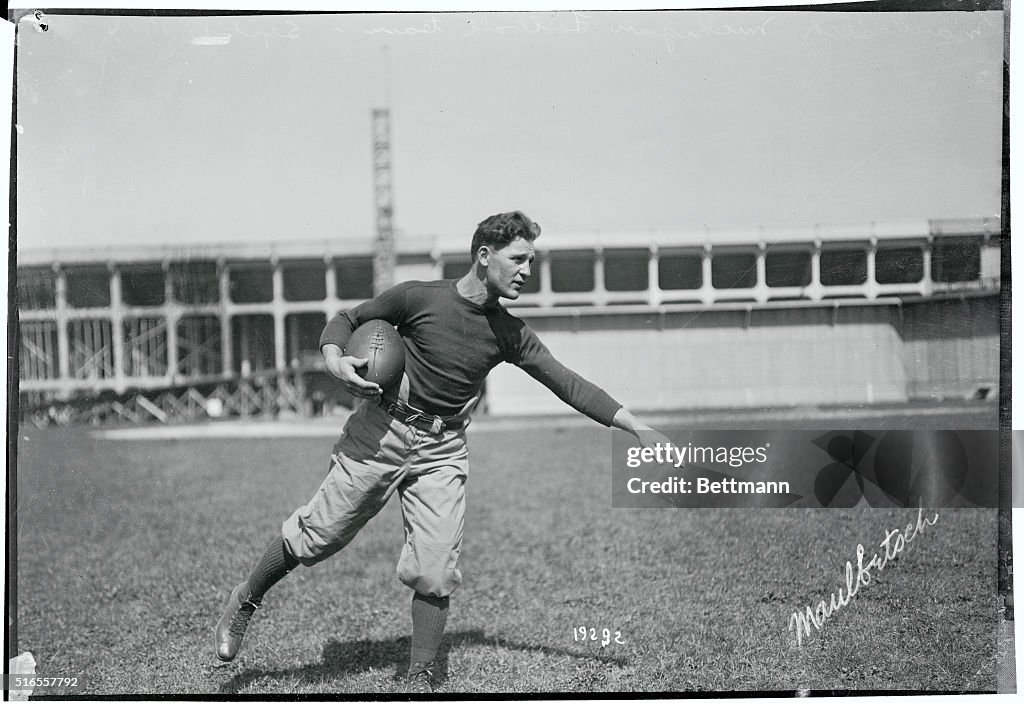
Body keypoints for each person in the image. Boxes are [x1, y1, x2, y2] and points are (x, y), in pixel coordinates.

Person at [215, 211, 669, 693]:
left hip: (443, 449)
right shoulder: (418, 297)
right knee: (317, 537)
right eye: (519, 259)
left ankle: (422, 675)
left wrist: (635, 426)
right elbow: (348, 319)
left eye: (531, 261)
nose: (527, 272)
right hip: (381, 432)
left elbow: (567, 383)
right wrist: (334, 360)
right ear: (484, 255)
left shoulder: (509, 332)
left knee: (435, 568)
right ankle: (244, 600)